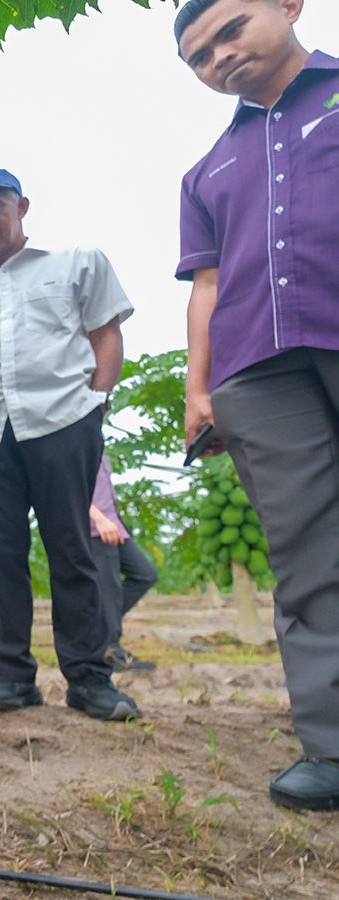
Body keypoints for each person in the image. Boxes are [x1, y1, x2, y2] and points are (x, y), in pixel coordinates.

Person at [174, 0, 339, 812]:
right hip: (258, 374)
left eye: (231, 30)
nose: (220, 58)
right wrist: (198, 390)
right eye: (201, 56)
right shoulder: (206, 170)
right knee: (309, 555)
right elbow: (207, 287)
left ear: (288, 5)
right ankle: (334, 749)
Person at [0, 168, 141, 722]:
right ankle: (12, 678)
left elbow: (105, 335)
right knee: (0, 554)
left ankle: (90, 679)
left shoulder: (76, 264)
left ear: (22, 206)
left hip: (63, 422)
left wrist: (97, 400)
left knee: (72, 546)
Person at [87, 454, 159, 673]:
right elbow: (70, 489)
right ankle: (111, 651)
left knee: (145, 575)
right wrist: (99, 520)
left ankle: (96, 627)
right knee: (109, 589)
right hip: (95, 529)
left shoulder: (102, 453)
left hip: (115, 528)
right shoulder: (74, 446)